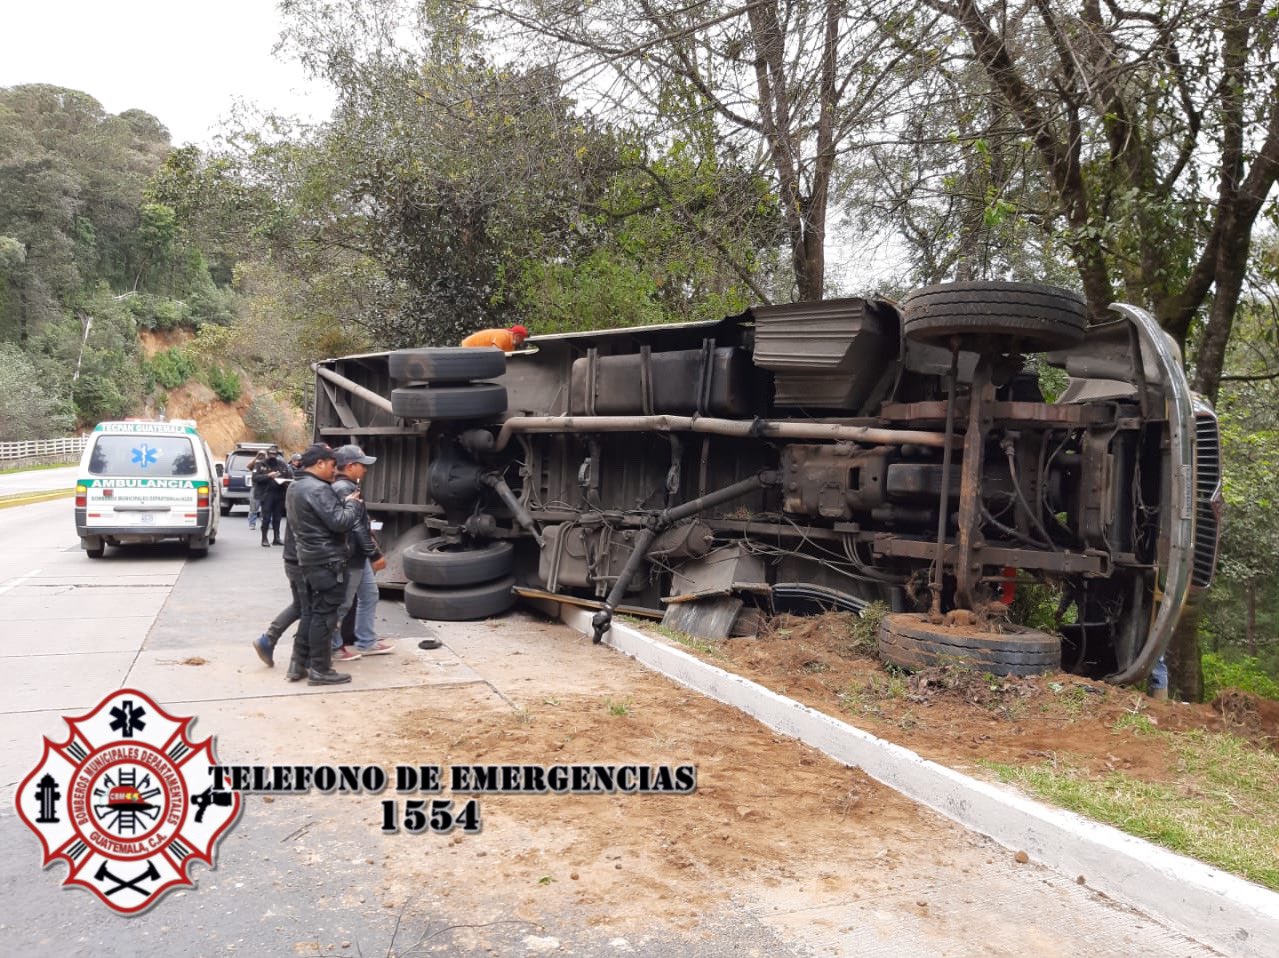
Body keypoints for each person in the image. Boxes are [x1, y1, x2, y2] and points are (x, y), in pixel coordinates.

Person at [285, 443, 364, 685]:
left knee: (311, 613)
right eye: (331, 465)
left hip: (308, 559)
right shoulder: (319, 489)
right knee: (325, 616)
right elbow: (340, 522)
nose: (334, 470)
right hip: (328, 561)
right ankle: (320, 669)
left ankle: (299, 664)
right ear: (319, 463)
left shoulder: (295, 486)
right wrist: (353, 504)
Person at [329, 444, 394, 660]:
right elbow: (355, 527)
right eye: (362, 465)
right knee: (344, 603)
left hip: (358, 554)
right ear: (350, 466)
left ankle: (366, 640)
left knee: (370, 595)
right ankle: (333, 647)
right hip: (351, 555)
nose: (365, 469)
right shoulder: (344, 489)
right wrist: (375, 554)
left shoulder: (347, 486)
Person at [252, 445, 292, 547]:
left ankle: (276, 538)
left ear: (277, 454)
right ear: (267, 454)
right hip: (266, 494)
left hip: (279, 493)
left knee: (277, 518)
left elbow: (289, 476)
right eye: (270, 454)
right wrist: (268, 476)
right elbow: (255, 478)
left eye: (274, 454)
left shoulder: (282, 464)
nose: (272, 456)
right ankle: (264, 538)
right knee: (266, 518)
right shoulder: (261, 464)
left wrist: (284, 480)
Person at [460, 324, 528, 351]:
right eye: (522, 339)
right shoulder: (503, 336)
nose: (522, 341)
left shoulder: (511, 345)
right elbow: (494, 351)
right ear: (517, 336)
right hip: (469, 347)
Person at [247, 450, 267, 530]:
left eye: (263, 455)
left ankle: (266, 523)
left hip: (266, 487)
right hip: (255, 487)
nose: (261, 456)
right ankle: (252, 523)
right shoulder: (255, 463)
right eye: (260, 455)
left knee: (266, 507)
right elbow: (249, 466)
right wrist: (256, 458)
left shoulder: (268, 463)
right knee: (253, 507)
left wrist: (266, 458)